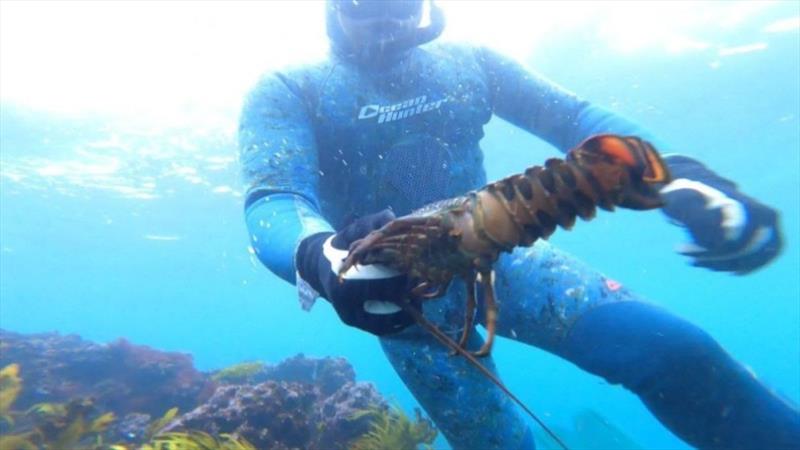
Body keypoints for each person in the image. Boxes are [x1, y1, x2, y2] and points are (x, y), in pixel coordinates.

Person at [238, 1, 797, 448]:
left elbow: (573, 118)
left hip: (500, 258)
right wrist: (320, 255)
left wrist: (683, 176)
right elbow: (274, 198)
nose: (386, 15)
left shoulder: (468, 63)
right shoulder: (290, 88)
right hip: (402, 303)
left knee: (678, 353)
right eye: (367, 1)